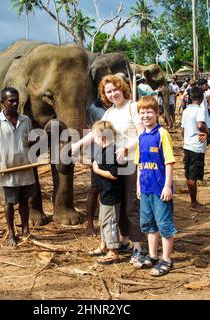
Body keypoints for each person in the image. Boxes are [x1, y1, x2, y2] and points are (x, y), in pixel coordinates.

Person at [72, 74, 146, 263]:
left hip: (131, 162)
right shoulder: (110, 112)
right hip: (115, 163)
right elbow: (96, 132)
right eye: (109, 92)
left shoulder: (133, 107)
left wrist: (127, 148)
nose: (113, 94)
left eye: (115, 89)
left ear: (122, 88)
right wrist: (78, 144)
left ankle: (138, 248)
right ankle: (124, 241)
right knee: (118, 206)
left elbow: (143, 134)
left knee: (132, 206)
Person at [0, 87, 36, 246]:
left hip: (25, 169)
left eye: (17, 100)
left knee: (25, 201)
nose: (15, 103)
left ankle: (25, 229)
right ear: (3, 102)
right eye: (11, 100)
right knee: (9, 203)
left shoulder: (26, 120)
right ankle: (12, 233)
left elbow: (29, 142)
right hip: (8, 172)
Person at [133, 96, 177, 276]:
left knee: (164, 225)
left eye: (149, 112)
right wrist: (138, 186)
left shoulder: (162, 134)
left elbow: (169, 162)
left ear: (157, 113)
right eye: (142, 112)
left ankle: (166, 260)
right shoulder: (141, 137)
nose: (145, 115)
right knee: (149, 224)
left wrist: (168, 186)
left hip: (160, 189)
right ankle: (152, 256)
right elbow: (139, 164)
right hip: (145, 189)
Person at [87, 120, 124, 264]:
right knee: (103, 221)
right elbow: (96, 162)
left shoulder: (112, 152)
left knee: (109, 223)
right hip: (104, 193)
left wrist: (97, 170)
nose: (94, 140)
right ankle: (103, 246)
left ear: (102, 138)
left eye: (95, 137)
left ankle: (113, 251)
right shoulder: (103, 151)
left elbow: (114, 174)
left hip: (111, 194)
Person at [181, 86, 209, 213]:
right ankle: (193, 202)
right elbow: (200, 124)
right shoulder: (200, 110)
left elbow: (182, 129)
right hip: (196, 146)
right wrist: (207, 132)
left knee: (189, 174)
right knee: (193, 175)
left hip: (187, 145)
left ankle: (194, 200)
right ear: (201, 98)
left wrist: (186, 139)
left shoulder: (186, 111)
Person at [85, 98, 109, 236]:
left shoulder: (120, 108)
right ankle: (90, 224)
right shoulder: (94, 108)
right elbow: (89, 131)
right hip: (98, 153)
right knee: (95, 188)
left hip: (115, 153)